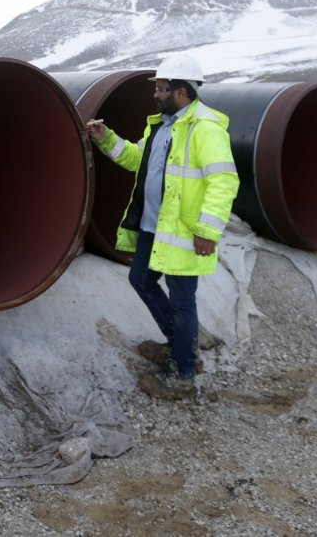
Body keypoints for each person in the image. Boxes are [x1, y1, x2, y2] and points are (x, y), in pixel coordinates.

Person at [85, 52, 240, 400]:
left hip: (185, 233)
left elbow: (224, 182)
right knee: (140, 279)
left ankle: (184, 374)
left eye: (162, 88)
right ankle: (181, 344)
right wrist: (106, 139)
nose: (155, 94)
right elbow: (138, 160)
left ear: (182, 91)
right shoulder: (162, 125)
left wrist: (207, 232)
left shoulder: (205, 130)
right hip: (154, 227)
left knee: (183, 301)